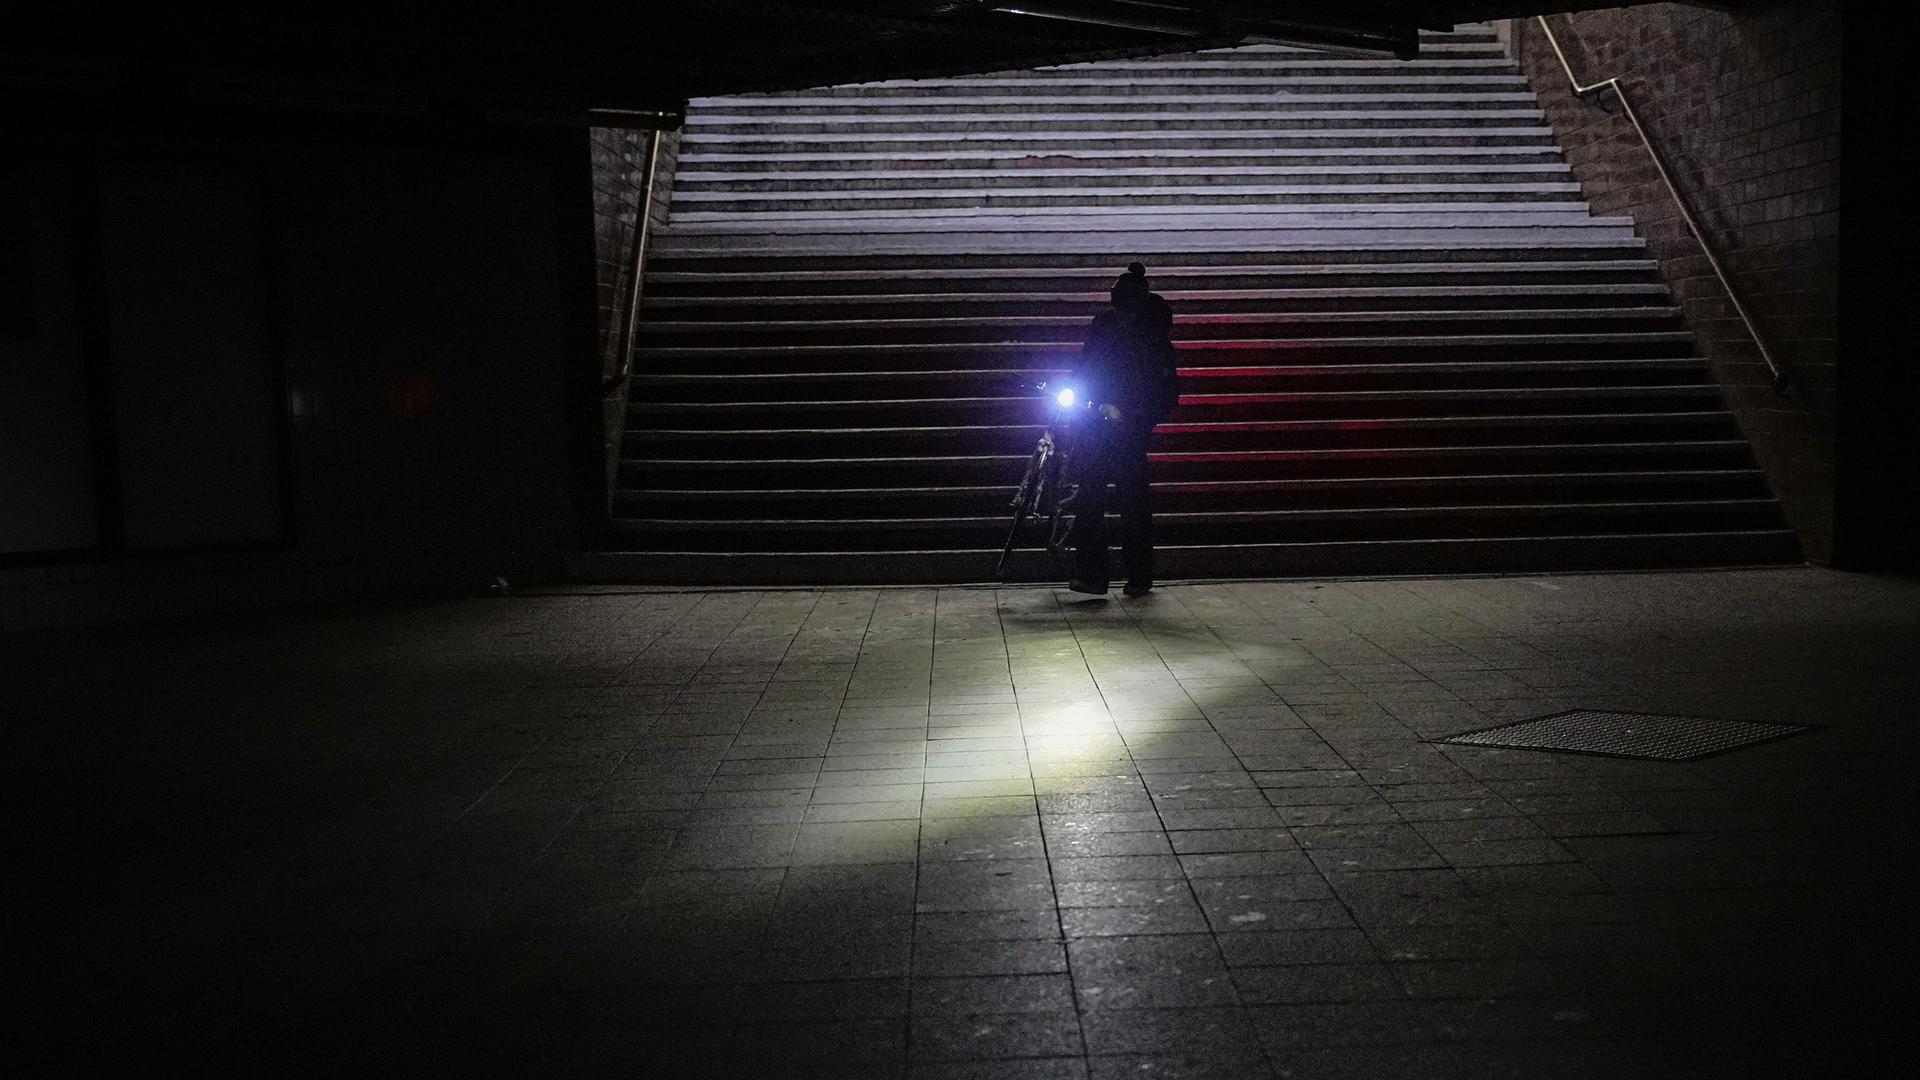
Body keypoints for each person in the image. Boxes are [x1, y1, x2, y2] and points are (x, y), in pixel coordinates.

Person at [1065, 262, 1179, 597]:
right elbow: (1087, 364)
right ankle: (1095, 574)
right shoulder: (1105, 326)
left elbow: (1164, 391)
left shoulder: (1153, 339)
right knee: (1092, 497)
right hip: (1096, 424)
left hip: (1129, 428)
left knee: (1129, 501)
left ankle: (1136, 574)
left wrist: (1133, 414)